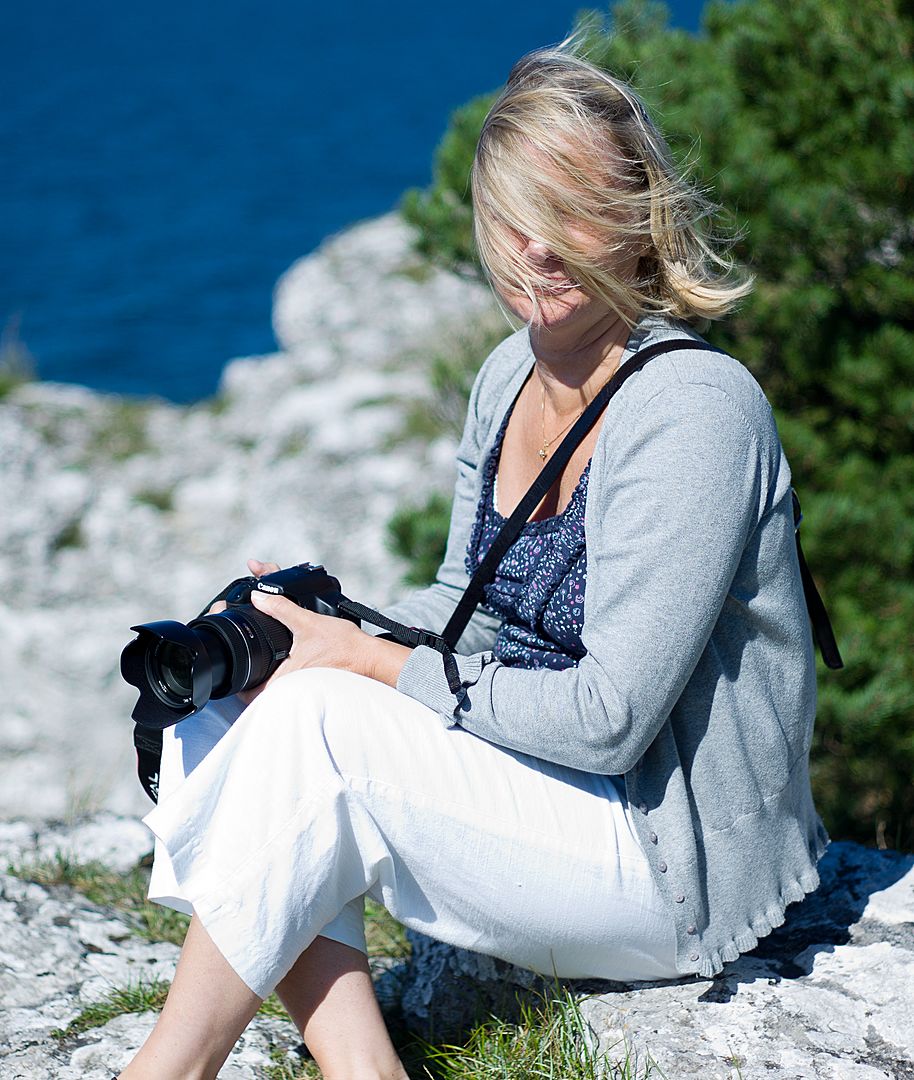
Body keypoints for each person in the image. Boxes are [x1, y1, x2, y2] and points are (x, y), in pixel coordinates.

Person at [119, 43, 828, 1080]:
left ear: (640, 220)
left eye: (570, 211)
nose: (535, 248)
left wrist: (367, 664)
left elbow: (612, 719)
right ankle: (363, 1069)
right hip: (551, 789)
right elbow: (466, 605)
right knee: (243, 695)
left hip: (670, 859)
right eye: (510, 217)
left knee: (315, 723)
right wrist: (315, 627)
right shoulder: (510, 375)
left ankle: (163, 1070)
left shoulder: (693, 410)